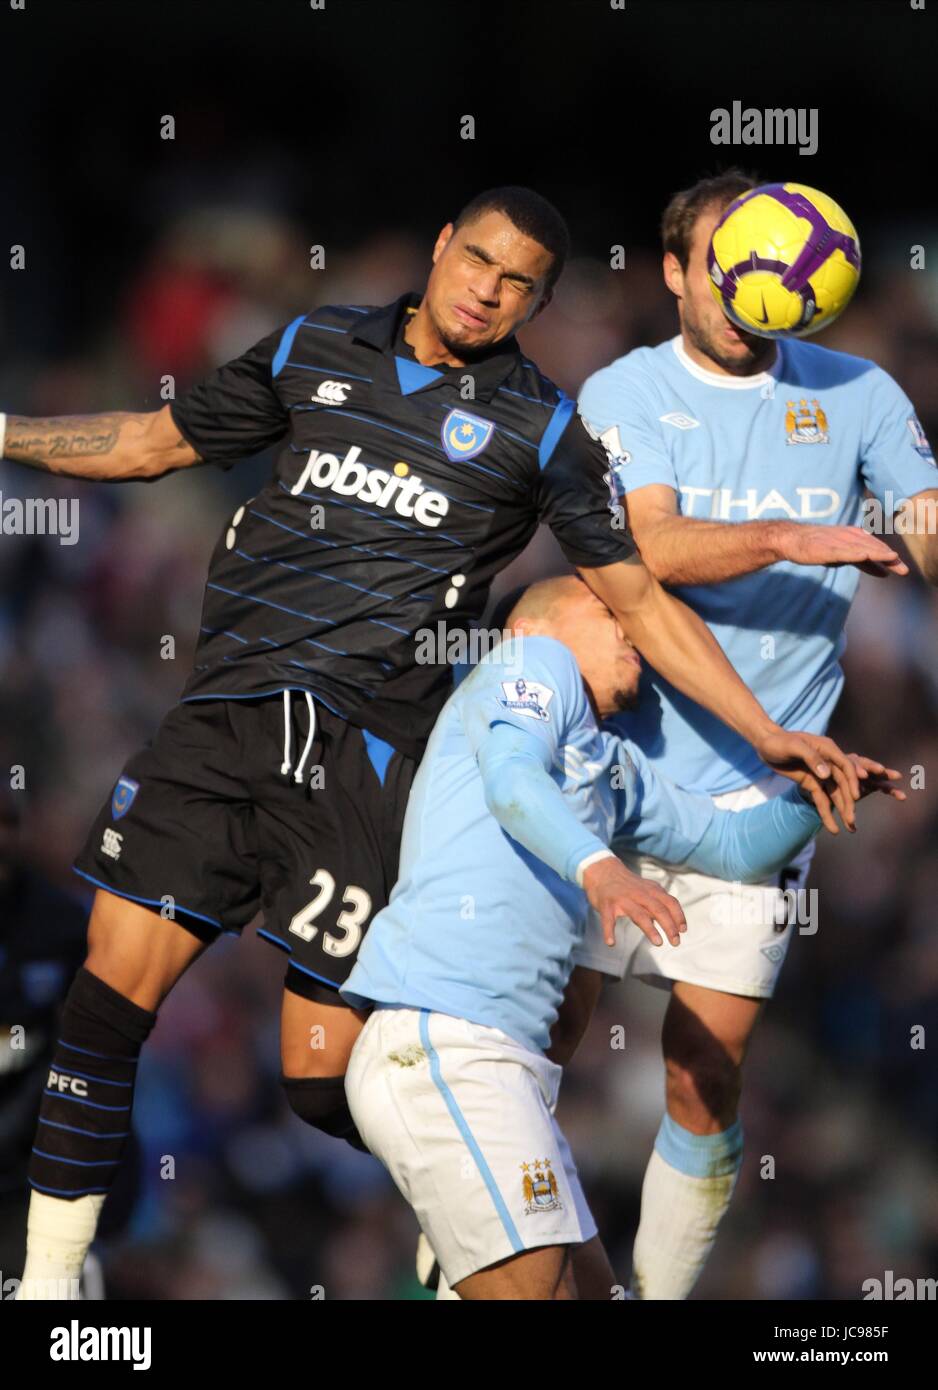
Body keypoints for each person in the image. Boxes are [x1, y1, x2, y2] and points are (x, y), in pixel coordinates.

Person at [2, 185, 859, 1300]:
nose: (486, 293)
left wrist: (766, 731)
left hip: (366, 760)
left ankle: (459, 1192)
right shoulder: (314, 345)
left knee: (325, 1077)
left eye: (519, 286)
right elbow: (150, 440)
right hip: (224, 727)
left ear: (538, 302)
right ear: (443, 247)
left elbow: (639, 601)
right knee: (107, 1001)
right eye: (479, 263)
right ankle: (56, 1284)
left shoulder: (541, 428)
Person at [577, 169, 938, 1300]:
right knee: (530, 1053)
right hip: (609, 766)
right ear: (677, 271)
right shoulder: (617, 393)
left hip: (757, 796)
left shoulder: (860, 392)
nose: (746, 293)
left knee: (702, 1077)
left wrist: (919, 533)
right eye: (719, 268)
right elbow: (655, 553)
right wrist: (801, 534)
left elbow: (920, 521)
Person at [340, 576, 901, 1300]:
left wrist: (814, 792)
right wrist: (601, 871)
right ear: (535, 625)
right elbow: (512, 783)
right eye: (610, 611)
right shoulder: (528, 664)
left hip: (503, 1072)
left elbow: (728, 845)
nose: (634, 627)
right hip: (446, 1045)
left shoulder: (606, 766)